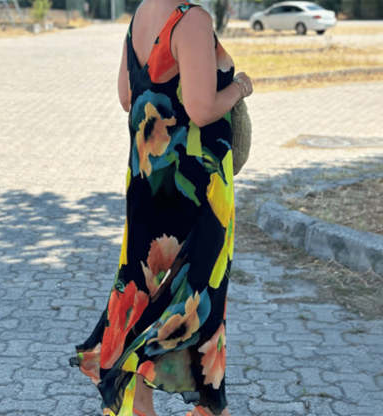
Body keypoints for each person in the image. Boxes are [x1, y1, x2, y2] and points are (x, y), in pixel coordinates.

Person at [69, 1, 253, 415]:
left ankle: (138, 403)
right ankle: (209, 407)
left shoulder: (140, 16)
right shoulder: (191, 19)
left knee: (141, 293)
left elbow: (126, 97)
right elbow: (202, 109)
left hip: (146, 184)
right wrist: (240, 87)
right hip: (196, 193)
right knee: (200, 301)